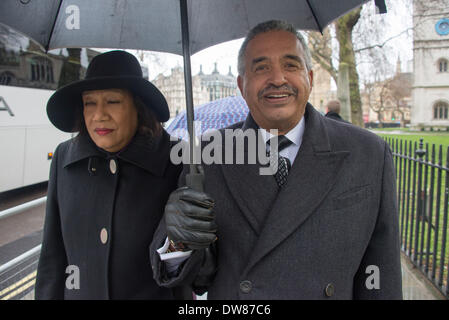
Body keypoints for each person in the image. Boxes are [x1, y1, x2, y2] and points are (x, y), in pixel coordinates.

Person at [151, 20, 403, 299]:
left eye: (291, 65)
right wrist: (179, 242)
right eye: (261, 68)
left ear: (310, 76)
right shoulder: (207, 153)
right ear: (241, 84)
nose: (278, 78)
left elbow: (381, 271)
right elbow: (193, 275)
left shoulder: (367, 153)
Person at [35, 50, 183, 299]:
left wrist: (190, 240)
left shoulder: (176, 160)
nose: (99, 115)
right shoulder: (64, 158)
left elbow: (187, 268)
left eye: (112, 101)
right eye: (89, 103)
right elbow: (53, 256)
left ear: (138, 107)